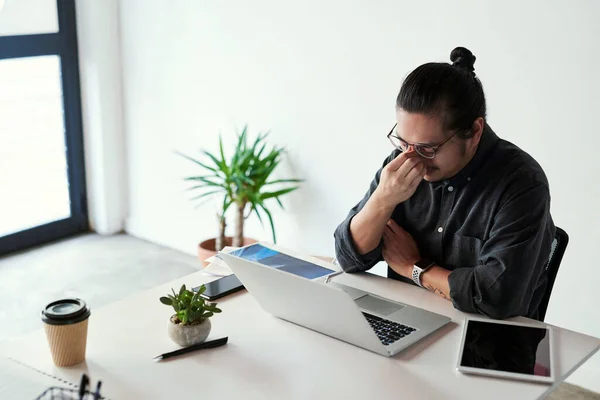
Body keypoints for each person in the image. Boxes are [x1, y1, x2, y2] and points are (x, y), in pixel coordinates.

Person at [333, 47, 555, 320]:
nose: (412, 157)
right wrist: (383, 199)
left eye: (427, 148)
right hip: (407, 320)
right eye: (403, 142)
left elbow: (497, 297)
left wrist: (415, 268)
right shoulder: (401, 165)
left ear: (474, 132)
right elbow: (349, 258)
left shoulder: (520, 184)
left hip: (488, 342)